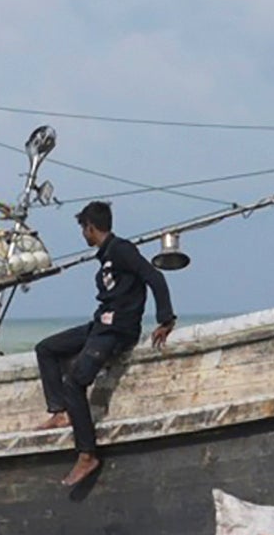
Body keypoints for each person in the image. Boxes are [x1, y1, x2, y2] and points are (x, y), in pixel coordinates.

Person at [36, 200, 175, 487]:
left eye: (83, 229)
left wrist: (165, 319)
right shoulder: (106, 255)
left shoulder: (121, 249)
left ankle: (87, 454)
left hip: (117, 330)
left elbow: (155, 277)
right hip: (100, 325)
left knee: (75, 382)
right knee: (46, 349)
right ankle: (59, 413)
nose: (83, 236)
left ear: (90, 228)